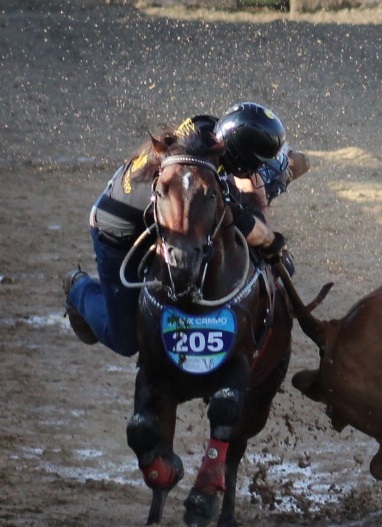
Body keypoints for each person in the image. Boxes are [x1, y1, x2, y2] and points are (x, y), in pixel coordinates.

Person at [64, 102, 311, 356]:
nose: (256, 172)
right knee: (126, 340)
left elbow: (300, 162)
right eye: (254, 166)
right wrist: (270, 238)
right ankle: (78, 288)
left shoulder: (211, 133)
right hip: (118, 231)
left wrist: (280, 175)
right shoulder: (195, 172)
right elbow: (245, 226)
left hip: (161, 215)